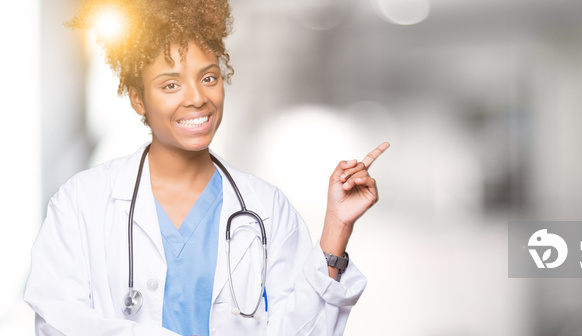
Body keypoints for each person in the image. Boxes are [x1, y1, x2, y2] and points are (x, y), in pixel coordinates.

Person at [23, 0, 389, 335]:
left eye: (209, 77)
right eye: (170, 85)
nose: (197, 97)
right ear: (138, 99)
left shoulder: (266, 209)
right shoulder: (81, 202)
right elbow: (56, 323)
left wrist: (336, 227)